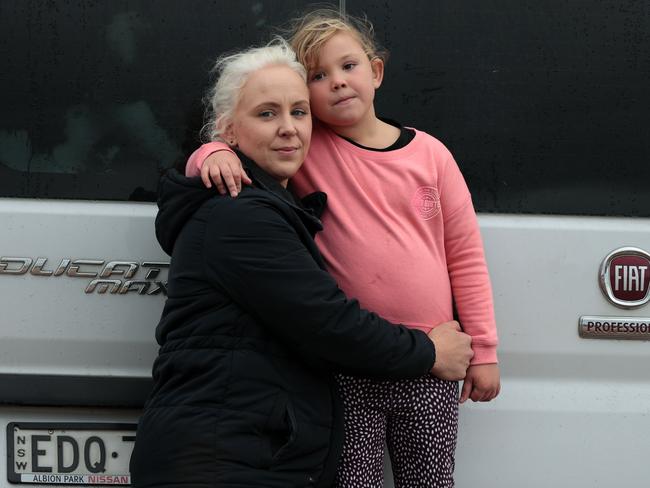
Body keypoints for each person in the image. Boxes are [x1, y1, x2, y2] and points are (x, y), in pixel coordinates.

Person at [129, 38, 473, 488]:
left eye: (299, 111)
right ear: (228, 132)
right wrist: (430, 352)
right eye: (267, 113)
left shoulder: (270, 201)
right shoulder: (240, 214)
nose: (289, 128)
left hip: (244, 453)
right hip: (222, 463)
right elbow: (327, 321)